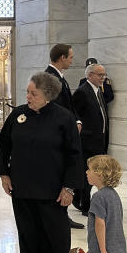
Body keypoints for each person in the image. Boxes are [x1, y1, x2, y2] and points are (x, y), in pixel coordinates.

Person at [0, 71, 83, 253]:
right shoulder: (18, 115)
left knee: (56, 237)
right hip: (22, 187)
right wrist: (4, 173)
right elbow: (4, 145)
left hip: (53, 190)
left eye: (33, 93)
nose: (28, 96)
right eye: (27, 92)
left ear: (48, 95)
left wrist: (69, 188)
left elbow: (75, 155)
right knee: (28, 234)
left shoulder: (64, 118)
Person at [45, 43, 84, 229]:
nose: (71, 60)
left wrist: (76, 121)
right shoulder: (50, 77)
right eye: (70, 57)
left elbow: (68, 105)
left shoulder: (60, 77)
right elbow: (56, 107)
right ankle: (59, 213)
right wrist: (70, 124)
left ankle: (63, 212)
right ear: (61, 58)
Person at [72, 63, 110, 216]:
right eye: (99, 75)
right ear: (89, 75)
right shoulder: (82, 92)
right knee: (88, 172)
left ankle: (82, 200)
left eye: (104, 75)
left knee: (95, 172)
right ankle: (85, 205)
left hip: (99, 139)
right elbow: (75, 115)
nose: (103, 78)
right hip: (87, 141)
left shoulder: (98, 91)